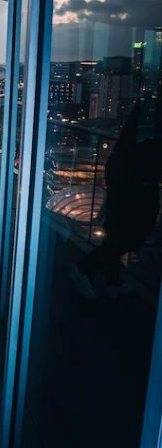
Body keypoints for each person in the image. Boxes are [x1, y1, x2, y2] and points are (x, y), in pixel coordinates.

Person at [70, 100, 162, 299]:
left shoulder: (149, 106)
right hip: (135, 179)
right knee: (130, 234)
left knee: (118, 232)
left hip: (127, 175)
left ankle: (112, 281)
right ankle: (83, 268)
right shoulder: (153, 112)